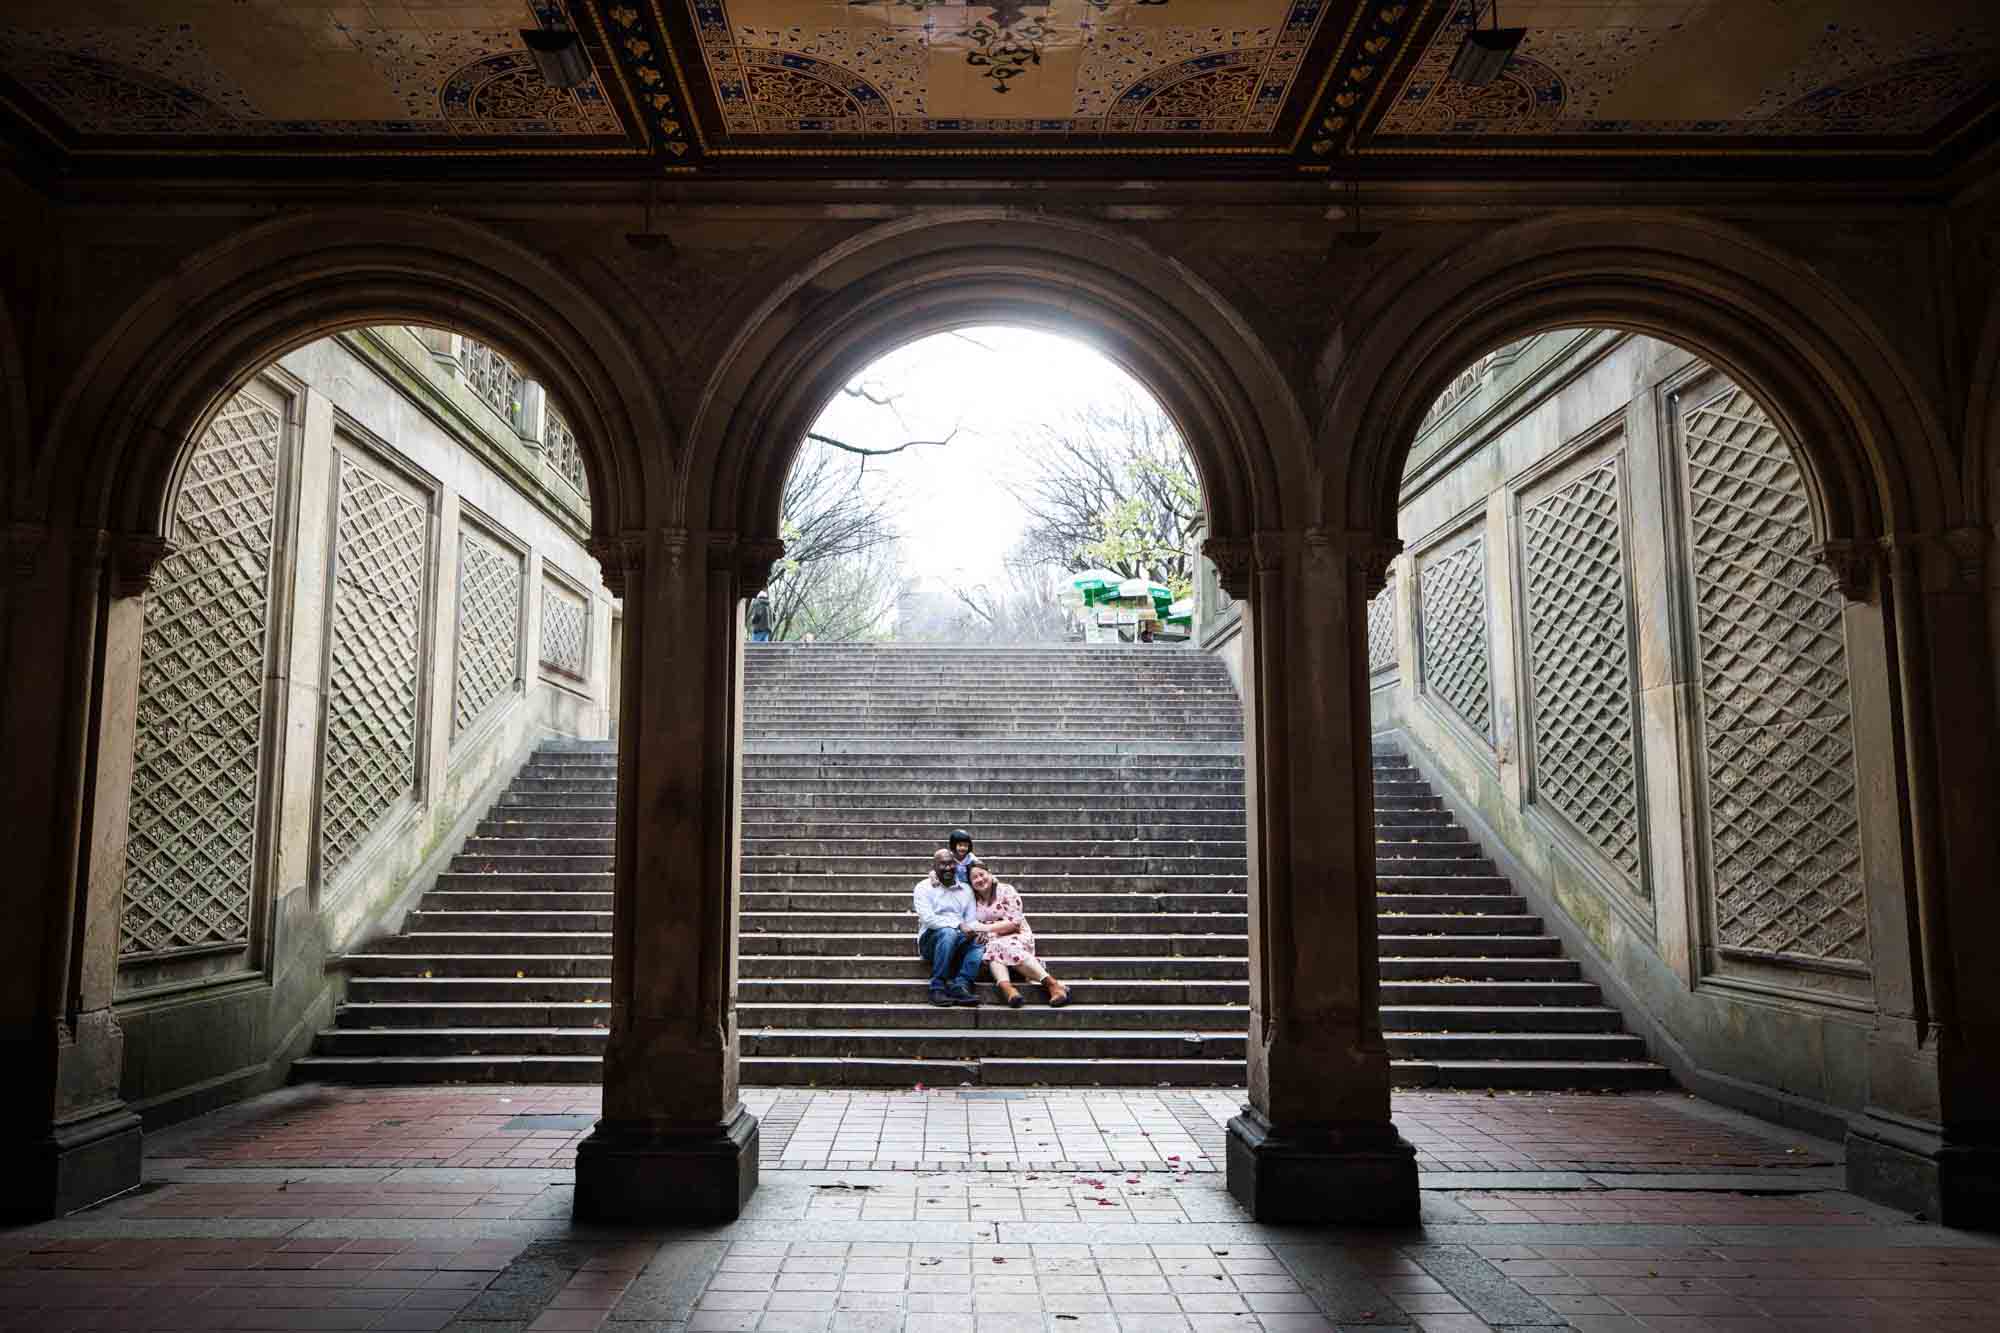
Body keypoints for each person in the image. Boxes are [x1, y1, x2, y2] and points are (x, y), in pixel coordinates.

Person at [966, 864, 1069, 1008]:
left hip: (1016, 934)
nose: (980, 879)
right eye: (974, 878)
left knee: (999, 947)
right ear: (970, 883)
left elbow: (1014, 923)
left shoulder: (1006, 890)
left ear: (989, 873)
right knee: (993, 947)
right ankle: (1009, 990)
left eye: (982, 874)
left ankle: (1051, 984)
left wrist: (985, 928)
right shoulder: (972, 898)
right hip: (992, 940)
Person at [913, 848, 984, 1008]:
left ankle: (961, 985)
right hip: (931, 942)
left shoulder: (966, 889)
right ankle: (937, 987)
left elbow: (971, 920)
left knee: (979, 941)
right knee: (948, 932)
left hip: (958, 940)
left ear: (956, 865)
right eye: (942, 864)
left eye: (950, 863)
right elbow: (929, 920)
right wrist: (958, 924)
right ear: (934, 867)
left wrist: (976, 931)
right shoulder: (923, 888)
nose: (947, 868)